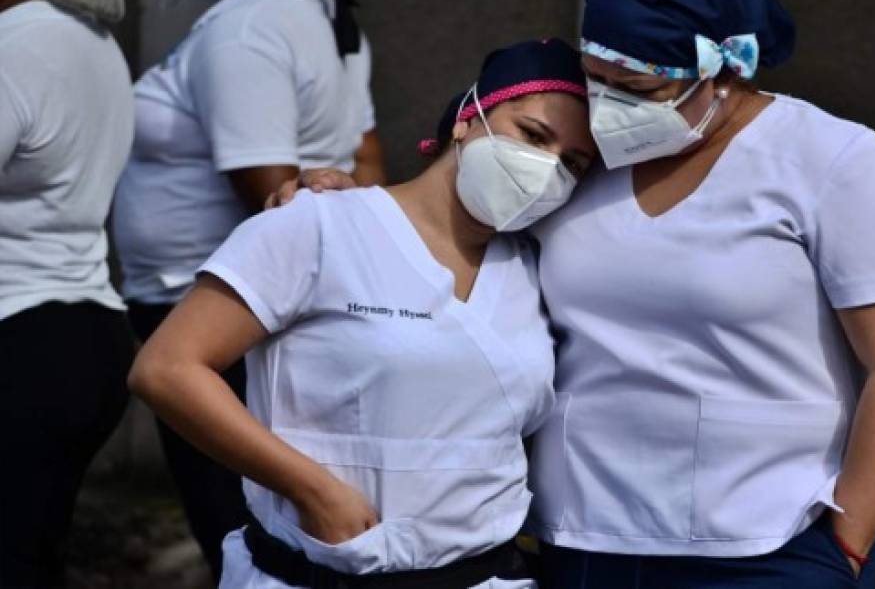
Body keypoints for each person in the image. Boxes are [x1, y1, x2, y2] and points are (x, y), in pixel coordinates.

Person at [280, 0, 875, 589]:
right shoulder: (584, 158)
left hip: (773, 539)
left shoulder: (829, 160)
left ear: (722, 72)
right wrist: (351, 204)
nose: (609, 106)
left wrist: (846, 540)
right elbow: (461, 219)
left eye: (636, 86)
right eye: (596, 79)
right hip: (585, 537)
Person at [128, 39, 596, 589]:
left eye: (571, 163)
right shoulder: (320, 226)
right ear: (468, 119)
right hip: (317, 572)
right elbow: (166, 370)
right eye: (532, 135)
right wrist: (312, 489)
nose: (545, 170)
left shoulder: (537, 269)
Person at [110, 0, 383, 577]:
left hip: (213, 312)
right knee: (258, 509)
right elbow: (367, 156)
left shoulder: (248, 28)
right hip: (260, 306)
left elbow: (266, 188)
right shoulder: (316, 5)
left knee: (228, 510)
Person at [0, 0, 135, 586]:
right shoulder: (95, 42)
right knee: (32, 550)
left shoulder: (12, 46)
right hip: (89, 333)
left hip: (19, 336)